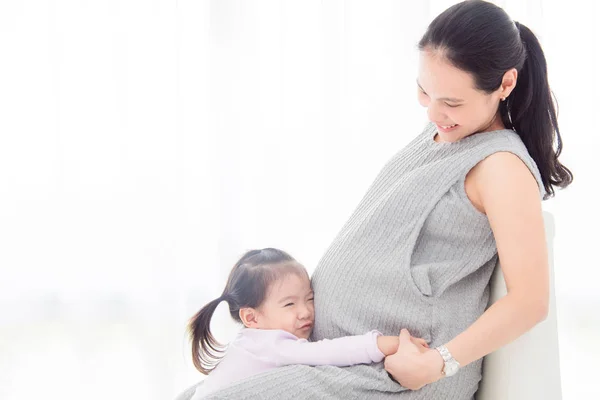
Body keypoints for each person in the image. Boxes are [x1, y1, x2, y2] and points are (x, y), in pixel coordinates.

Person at [192, 1, 573, 398]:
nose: (434, 112)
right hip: (345, 358)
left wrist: (438, 361)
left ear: (505, 84)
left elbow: (531, 301)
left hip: (398, 377)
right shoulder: (448, 132)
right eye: (425, 91)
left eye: (452, 102)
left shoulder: (501, 167)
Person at [187, 248, 429, 398]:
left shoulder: (251, 342)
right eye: (289, 305)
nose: (305, 311)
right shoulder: (270, 344)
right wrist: (385, 343)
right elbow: (326, 352)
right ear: (251, 318)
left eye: (310, 299)